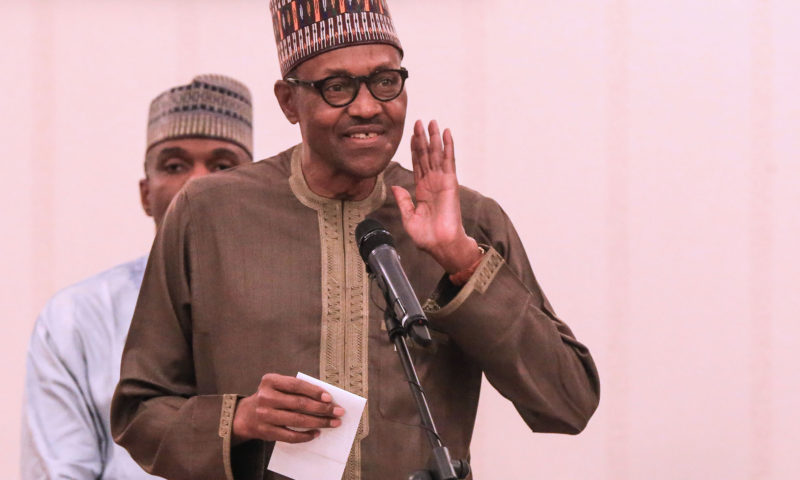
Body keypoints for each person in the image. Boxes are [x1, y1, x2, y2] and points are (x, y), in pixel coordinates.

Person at [112, 2, 600, 480]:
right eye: (337, 87)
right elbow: (139, 413)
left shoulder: (467, 219)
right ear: (288, 101)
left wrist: (462, 261)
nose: (367, 107)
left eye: (385, 82)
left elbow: (568, 402)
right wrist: (239, 419)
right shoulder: (208, 214)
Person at [21, 74, 254, 480]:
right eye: (175, 165)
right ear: (146, 193)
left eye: (222, 165)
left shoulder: (289, 303)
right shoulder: (76, 317)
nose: (197, 182)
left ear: (252, 190)